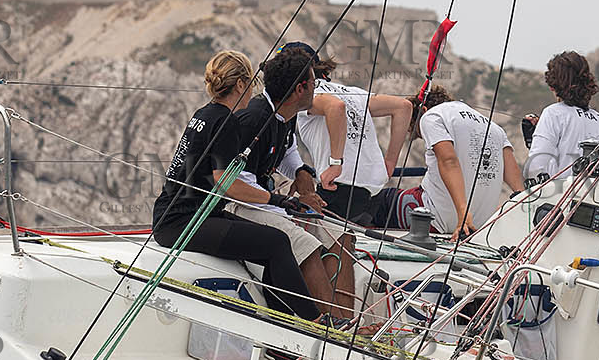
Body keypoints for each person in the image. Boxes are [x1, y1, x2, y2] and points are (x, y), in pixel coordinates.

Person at [151, 50, 321, 321]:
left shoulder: (204, 114)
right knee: (277, 242)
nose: (253, 89)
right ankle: (313, 322)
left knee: (272, 243)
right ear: (241, 84)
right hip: (183, 223)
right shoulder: (226, 121)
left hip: (175, 216)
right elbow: (225, 182)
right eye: (251, 82)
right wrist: (276, 200)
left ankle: (285, 327)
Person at [229, 42, 353, 321]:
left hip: (266, 199)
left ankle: (346, 319)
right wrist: (289, 206)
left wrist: (302, 173)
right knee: (305, 242)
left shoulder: (286, 115)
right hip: (240, 203)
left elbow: (287, 150)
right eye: (313, 83)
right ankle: (332, 329)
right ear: (301, 89)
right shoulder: (254, 118)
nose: (316, 89)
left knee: (342, 235)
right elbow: (237, 182)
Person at [371, 86, 523, 240]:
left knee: (376, 200)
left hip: (441, 219)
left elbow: (448, 160)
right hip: (478, 225)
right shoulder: (495, 127)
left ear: (423, 110)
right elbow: (514, 178)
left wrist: (463, 212)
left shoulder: (431, 116)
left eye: (418, 132)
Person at [296, 58, 413, 223]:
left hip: (340, 187)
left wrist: (336, 163)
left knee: (312, 242)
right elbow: (403, 106)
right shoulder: (349, 91)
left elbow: (336, 107)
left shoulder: (305, 94)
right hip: (374, 191)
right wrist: (390, 162)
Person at [523, 50, 599, 182]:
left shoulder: (553, 113)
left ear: (553, 86)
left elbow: (534, 168)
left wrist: (534, 141)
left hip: (561, 198)